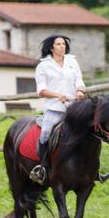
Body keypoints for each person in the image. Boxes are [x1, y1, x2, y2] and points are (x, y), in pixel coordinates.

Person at [29, 34, 86, 184]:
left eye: (64, 44)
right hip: (54, 109)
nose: (63, 46)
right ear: (51, 47)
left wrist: (80, 90)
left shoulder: (72, 61)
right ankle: (43, 168)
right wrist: (57, 95)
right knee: (45, 134)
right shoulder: (43, 66)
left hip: (73, 108)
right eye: (59, 44)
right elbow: (41, 90)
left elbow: (79, 79)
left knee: (89, 132)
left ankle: (94, 170)